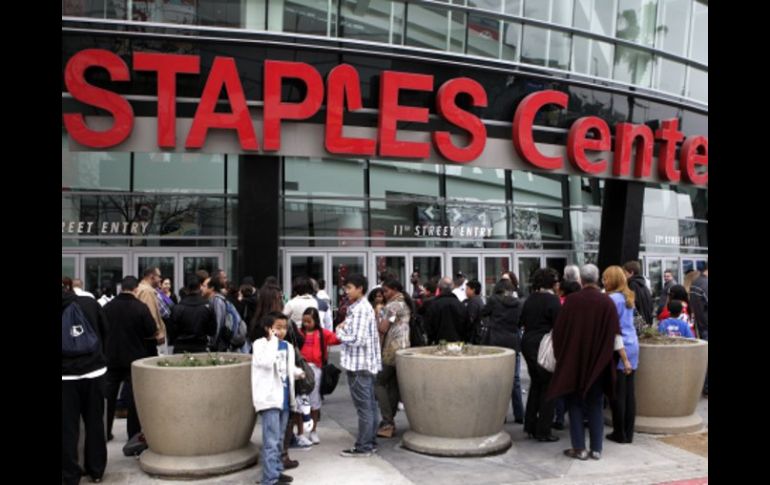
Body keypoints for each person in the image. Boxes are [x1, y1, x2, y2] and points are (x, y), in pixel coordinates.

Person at [548, 264, 623, 461]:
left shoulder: (571, 302)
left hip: (574, 360)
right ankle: (596, 448)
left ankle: (579, 448)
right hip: (598, 362)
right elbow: (615, 335)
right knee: (595, 404)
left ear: (581, 279)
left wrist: (562, 356)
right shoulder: (607, 303)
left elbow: (559, 332)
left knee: (575, 404)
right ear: (597, 279)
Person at [62, 283, 109, 484]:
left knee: (67, 428)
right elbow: (105, 331)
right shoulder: (90, 302)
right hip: (94, 371)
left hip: (65, 378)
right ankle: (96, 470)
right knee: (95, 423)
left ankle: (70, 475)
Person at [103, 276, 158, 445]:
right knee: (134, 399)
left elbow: (101, 329)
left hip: (111, 358)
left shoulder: (107, 307)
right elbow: (151, 330)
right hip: (134, 358)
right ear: (135, 289)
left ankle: (105, 431)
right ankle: (132, 434)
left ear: (121, 288)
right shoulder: (140, 308)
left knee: (108, 397)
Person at [252, 313, 305, 485]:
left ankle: (275, 470)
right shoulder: (260, 344)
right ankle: (269, 478)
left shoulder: (288, 346)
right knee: (271, 441)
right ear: (268, 328)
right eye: (278, 327)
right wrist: (273, 341)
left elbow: (287, 368)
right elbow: (266, 363)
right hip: (269, 399)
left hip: (284, 398)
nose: (282, 331)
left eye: (284, 327)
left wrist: (297, 373)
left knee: (280, 439)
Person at [335, 274, 381, 457]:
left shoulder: (361, 309)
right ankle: (369, 442)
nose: (346, 291)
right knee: (369, 406)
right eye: (346, 288)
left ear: (360, 288)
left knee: (365, 408)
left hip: (359, 365)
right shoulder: (358, 308)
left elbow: (358, 339)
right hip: (363, 364)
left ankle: (364, 446)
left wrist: (339, 334)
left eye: (349, 288)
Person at [520, 268, 562, 441]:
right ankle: (543, 430)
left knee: (536, 384)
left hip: (528, 344)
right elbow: (559, 326)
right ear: (552, 283)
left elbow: (521, 321)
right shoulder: (553, 301)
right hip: (544, 346)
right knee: (548, 388)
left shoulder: (529, 299)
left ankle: (530, 425)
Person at [602, 266, 639, 445]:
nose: (604, 281)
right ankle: (628, 433)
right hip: (633, 344)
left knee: (618, 394)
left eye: (606, 278)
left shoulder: (612, 299)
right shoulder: (628, 297)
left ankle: (619, 433)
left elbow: (613, 330)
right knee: (630, 393)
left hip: (620, 347)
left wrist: (622, 358)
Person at [481, 278, 524, 424]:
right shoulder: (518, 303)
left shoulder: (493, 300)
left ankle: (501, 415)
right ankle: (519, 414)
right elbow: (520, 322)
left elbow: (483, 313)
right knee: (515, 379)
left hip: (496, 342)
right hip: (512, 341)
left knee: (497, 379)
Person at [375, 280, 412, 439]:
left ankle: (387, 421)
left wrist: (378, 317)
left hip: (392, 348)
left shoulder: (392, 306)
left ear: (394, 289)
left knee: (378, 382)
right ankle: (389, 422)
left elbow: (383, 328)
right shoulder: (404, 302)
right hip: (404, 346)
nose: (383, 294)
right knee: (394, 385)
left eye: (386, 290)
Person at [299, 308, 341, 444]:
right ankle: (300, 433)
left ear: (315, 320)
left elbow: (337, 339)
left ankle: (313, 431)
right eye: (304, 321)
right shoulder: (299, 333)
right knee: (300, 402)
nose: (306, 324)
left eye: (309, 321)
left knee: (314, 401)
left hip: (316, 369)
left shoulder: (322, 334)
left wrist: (341, 328)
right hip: (301, 369)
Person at [168, 275, 217, 353]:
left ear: (186, 289)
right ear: (199, 287)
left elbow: (172, 332)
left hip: (181, 349)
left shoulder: (177, 308)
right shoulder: (207, 307)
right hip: (201, 348)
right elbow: (212, 331)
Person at [425, 277, 468, 344]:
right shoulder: (460, 305)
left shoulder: (433, 305)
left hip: (438, 343)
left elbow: (428, 325)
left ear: (439, 288)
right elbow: (466, 325)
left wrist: (431, 339)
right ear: (452, 288)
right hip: (457, 343)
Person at [623, 261, 654, 326]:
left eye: (625, 272)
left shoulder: (632, 285)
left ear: (631, 272)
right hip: (646, 322)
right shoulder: (643, 285)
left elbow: (632, 305)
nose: (624, 275)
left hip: (638, 324)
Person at [464, 279, 485, 344]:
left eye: (467, 289)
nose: (465, 291)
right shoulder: (478, 300)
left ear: (473, 290)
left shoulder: (473, 302)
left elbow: (470, 320)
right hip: (479, 334)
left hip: (475, 337)